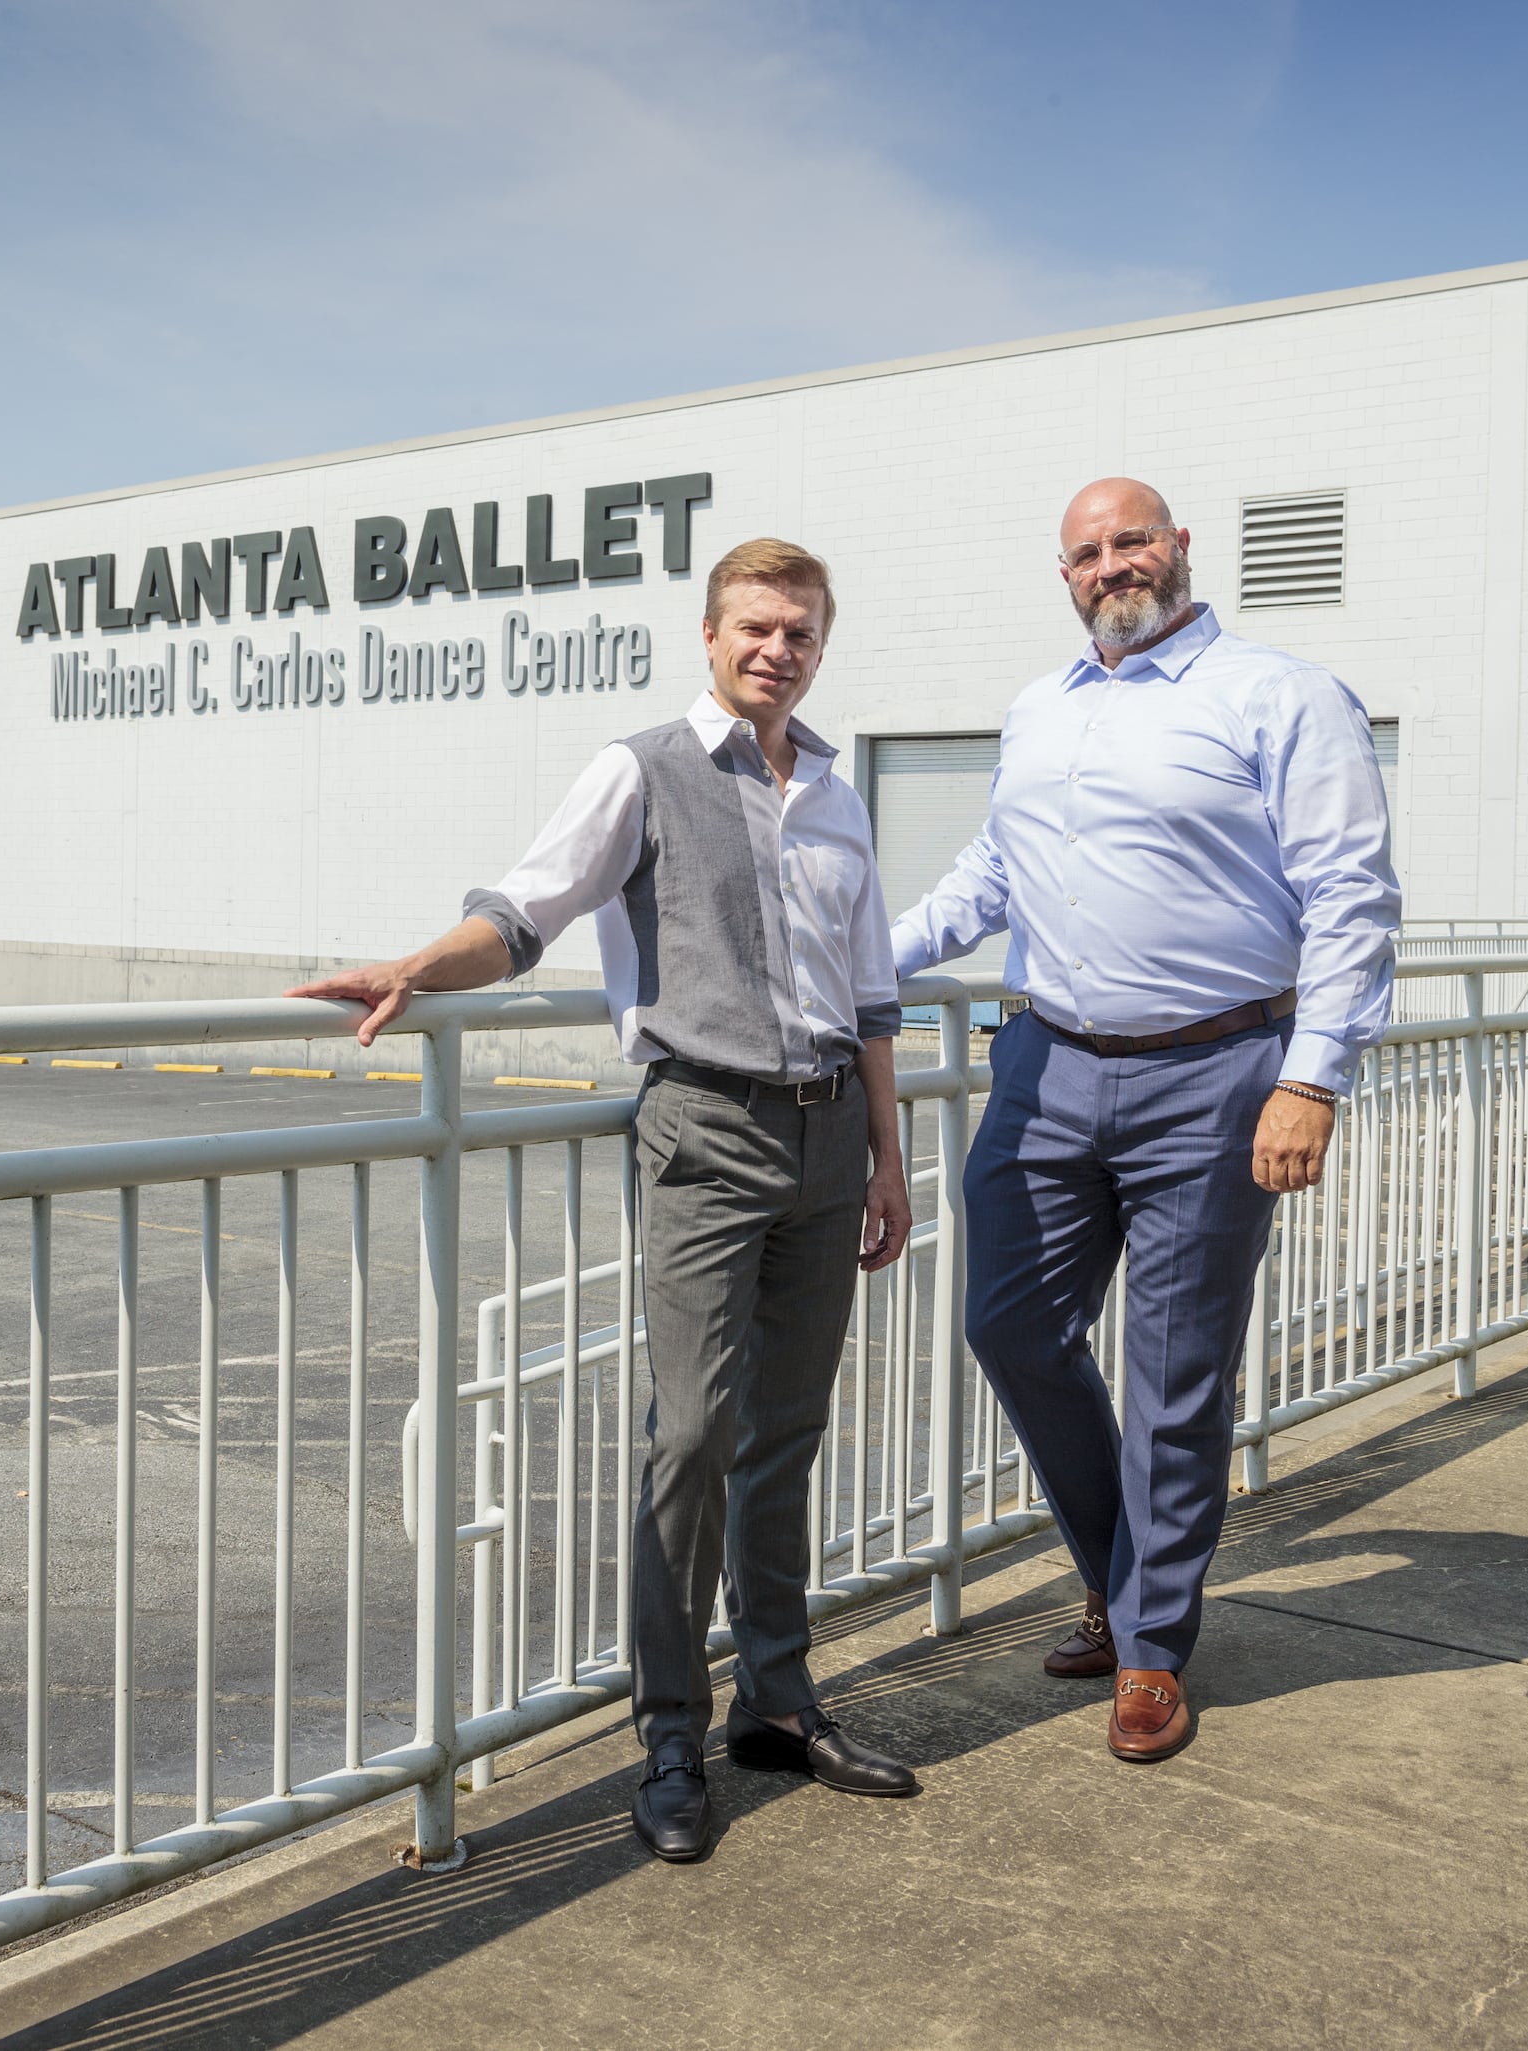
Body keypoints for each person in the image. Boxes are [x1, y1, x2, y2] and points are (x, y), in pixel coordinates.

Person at [292, 537, 917, 1860]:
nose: (777, 650)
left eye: (800, 632)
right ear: (709, 633)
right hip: (704, 1124)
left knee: (787, 1431)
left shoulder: (840, 792)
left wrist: (889, 1154)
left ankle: (779, 1701)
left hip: (828, 1136)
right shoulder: (641, 768)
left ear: (820, 643)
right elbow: (522, 912)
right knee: (690, 1433)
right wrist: (419, 963)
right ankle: (671, 1729)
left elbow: (870, 993)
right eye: (755, 627)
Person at [892, 478, 1398, 1762]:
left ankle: (1150, 1645)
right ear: (1063, 575)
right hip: (1045, 1065)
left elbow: (1350, 895)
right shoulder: (1039, 707)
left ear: (1179, 549)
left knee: (1175, 1375)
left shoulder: (1281, 695)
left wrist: (1313, 1074)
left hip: (1217, 1072)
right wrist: (847, 963)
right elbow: (990, 877)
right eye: (1086, 552)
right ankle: (1128, 1581)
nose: (1112, 565)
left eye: (1131, 541)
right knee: (1009, 1324)